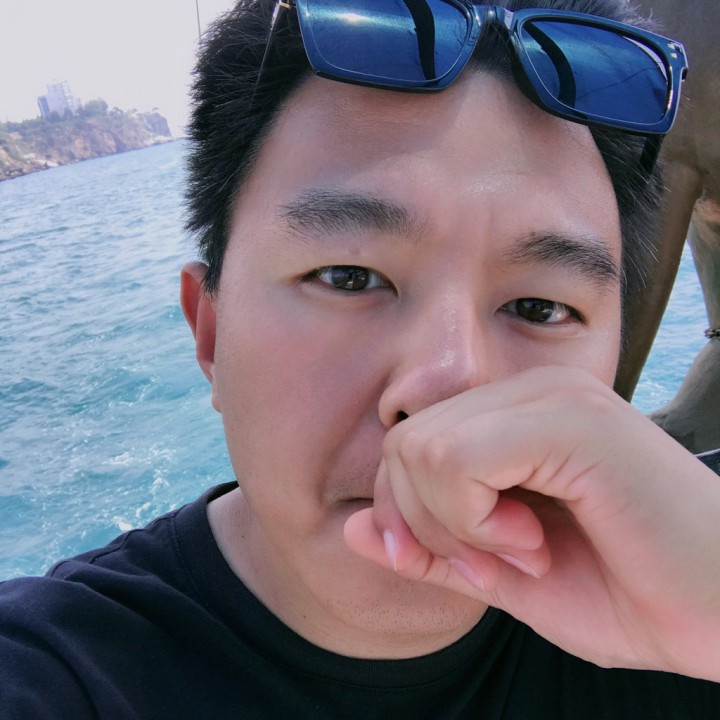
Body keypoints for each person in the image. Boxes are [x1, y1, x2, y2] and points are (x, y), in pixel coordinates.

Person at [2, 0, 720, 717]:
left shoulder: (693, 590)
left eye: (538, 309)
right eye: (348, 278)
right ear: (212, 335)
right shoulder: (55, 675)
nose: (446, 388)